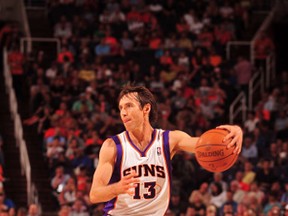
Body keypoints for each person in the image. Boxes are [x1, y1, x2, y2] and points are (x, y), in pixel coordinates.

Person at [89, 85, 243, 216]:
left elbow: (205, 145)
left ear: (146, 108)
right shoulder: (112, 146)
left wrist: (235, 131)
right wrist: (117, 188)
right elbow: (95, 194)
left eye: (129, 106)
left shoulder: (169, 140)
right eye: (121, 108)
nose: (123, 112)